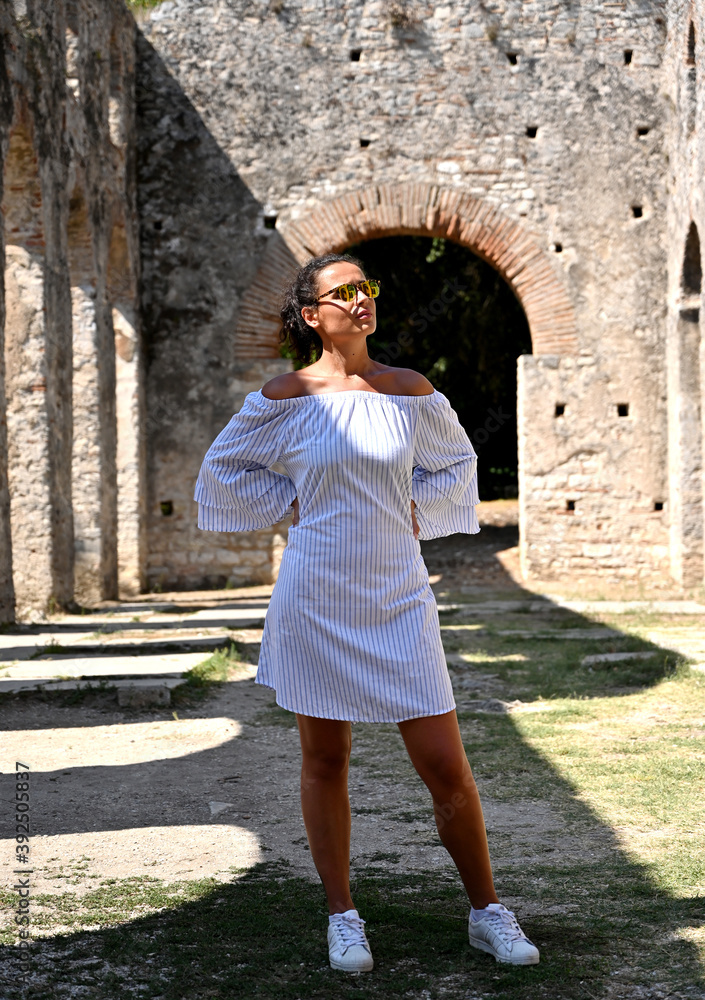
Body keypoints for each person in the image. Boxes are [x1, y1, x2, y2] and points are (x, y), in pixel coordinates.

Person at [195, 252, 539, 974]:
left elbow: (456, 465)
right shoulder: (285, 396)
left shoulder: (407, 389)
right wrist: (288, 504)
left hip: (398, 593)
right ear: (312, 314)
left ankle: (486, 910)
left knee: (446, 766)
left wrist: (423, 505)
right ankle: (342, 914)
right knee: (326, 759)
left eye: (365, 288)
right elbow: (222, 472)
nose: (359, 300)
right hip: (317, 595)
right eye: (341, 292)